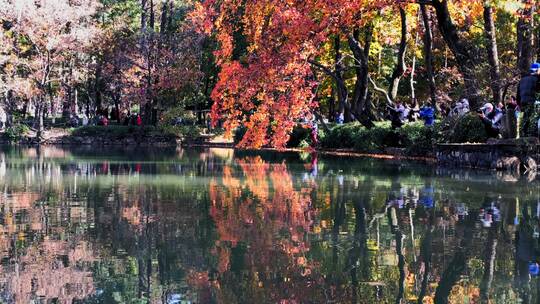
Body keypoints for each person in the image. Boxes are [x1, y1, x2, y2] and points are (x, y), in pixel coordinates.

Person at [517, 62, 540, 137]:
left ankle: (523, 135)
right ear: (537, 70)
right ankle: (533, 137)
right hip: (533, 102)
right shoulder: (537, 79)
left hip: (523, 102)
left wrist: (519, 104)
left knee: (525, 119)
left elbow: (518, 94)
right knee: (533, 119)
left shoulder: (522, 80)